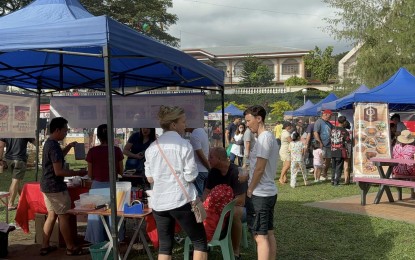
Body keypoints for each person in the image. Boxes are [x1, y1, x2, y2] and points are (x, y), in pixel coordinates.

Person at [144, 106, 207, 260]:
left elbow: (150, 178)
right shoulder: (184, 145)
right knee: (199, 242)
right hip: (181, 201)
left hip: (159, 203)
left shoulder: (152, 147)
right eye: (183, 122)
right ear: (173, 125)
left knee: (165, 247)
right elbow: (191, 176)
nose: (185, 125)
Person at [40, 117, 88, 256]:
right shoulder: (53, 145)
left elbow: (58, 157)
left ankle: (44, 245)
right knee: (64, 216)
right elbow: (59, 171)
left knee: (52, 215)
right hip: (55, 187)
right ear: (57, 130)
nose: (66, 133)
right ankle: (70, 247)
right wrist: (78, 172)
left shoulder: (49, 143)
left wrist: (69, 146)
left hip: (47, 185)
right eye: (65, 130)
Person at [244, 105, 278, 260]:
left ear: (259, 119)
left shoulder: (264, 138)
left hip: (261, 194)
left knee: (260, 236)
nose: (247, 124)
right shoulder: (266, 137)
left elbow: (260, 168)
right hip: (268, 191)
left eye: (248, 120)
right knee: (268, 232)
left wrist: (250, 189)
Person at [203, 146, 247, 259]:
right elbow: (206, 193)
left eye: (211, 157)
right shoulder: (213, 172)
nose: (208, 159)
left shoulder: (236, 172)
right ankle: (204, 243)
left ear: (219, 158)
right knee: (201, 210)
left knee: (235, 213)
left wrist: (222, 207)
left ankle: (236, 252)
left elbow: (241, 200)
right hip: (218, 207)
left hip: (239, 208)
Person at [84, 124, 124, 244]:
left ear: (99, 137)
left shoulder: (92, 151)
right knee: (113, 216)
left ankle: (97, 242)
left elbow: (90, 174)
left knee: (96, 216)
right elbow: (121, 171)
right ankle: (114, 241)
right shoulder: (116, 150)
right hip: (113, 187)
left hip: (97, 188)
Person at [0, 137, 35, 210]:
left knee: (17, 181)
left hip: (8, 159)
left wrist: (0, 159)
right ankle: (10, 203)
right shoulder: (24, 130)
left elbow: (1, 145)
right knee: (15, 181)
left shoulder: (7, 130)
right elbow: (35, 142)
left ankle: (25, 199)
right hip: (20, 159)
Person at [186, 127, 210, 197]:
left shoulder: (194, 135)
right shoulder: (202, 131)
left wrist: (209, 167)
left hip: (199, 171)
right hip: (203, 170)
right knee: (204, 196)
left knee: (198, 197)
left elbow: (200, 155)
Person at [330, 116, 351, 186]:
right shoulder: (344, 131)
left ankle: (332, 180)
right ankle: (336, 182)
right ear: (344, 122)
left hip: (333, 150)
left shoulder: (333, 129)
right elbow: (348, 140)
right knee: (339, 167)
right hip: (340, 151)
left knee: (333, 167)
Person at [314, 110, 334, 180]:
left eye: (330, 117)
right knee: (320, 160)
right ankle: (318, 175)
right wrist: (319, 142)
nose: (330, 118)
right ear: (325, 114)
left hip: (329, 144)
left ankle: (324, 174)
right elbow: (316, 133)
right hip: (322, 144)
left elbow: (333, 130)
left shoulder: (329, 123)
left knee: (328, 159)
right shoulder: (318, 122)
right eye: (329, 116)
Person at [342, 120, 352, 184]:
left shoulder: (342, 131)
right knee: (348, 164)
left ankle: (346, 179)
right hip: (349, 148)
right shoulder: (350, 132)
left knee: (345, 164)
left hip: (343, 148)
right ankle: (347, 179)